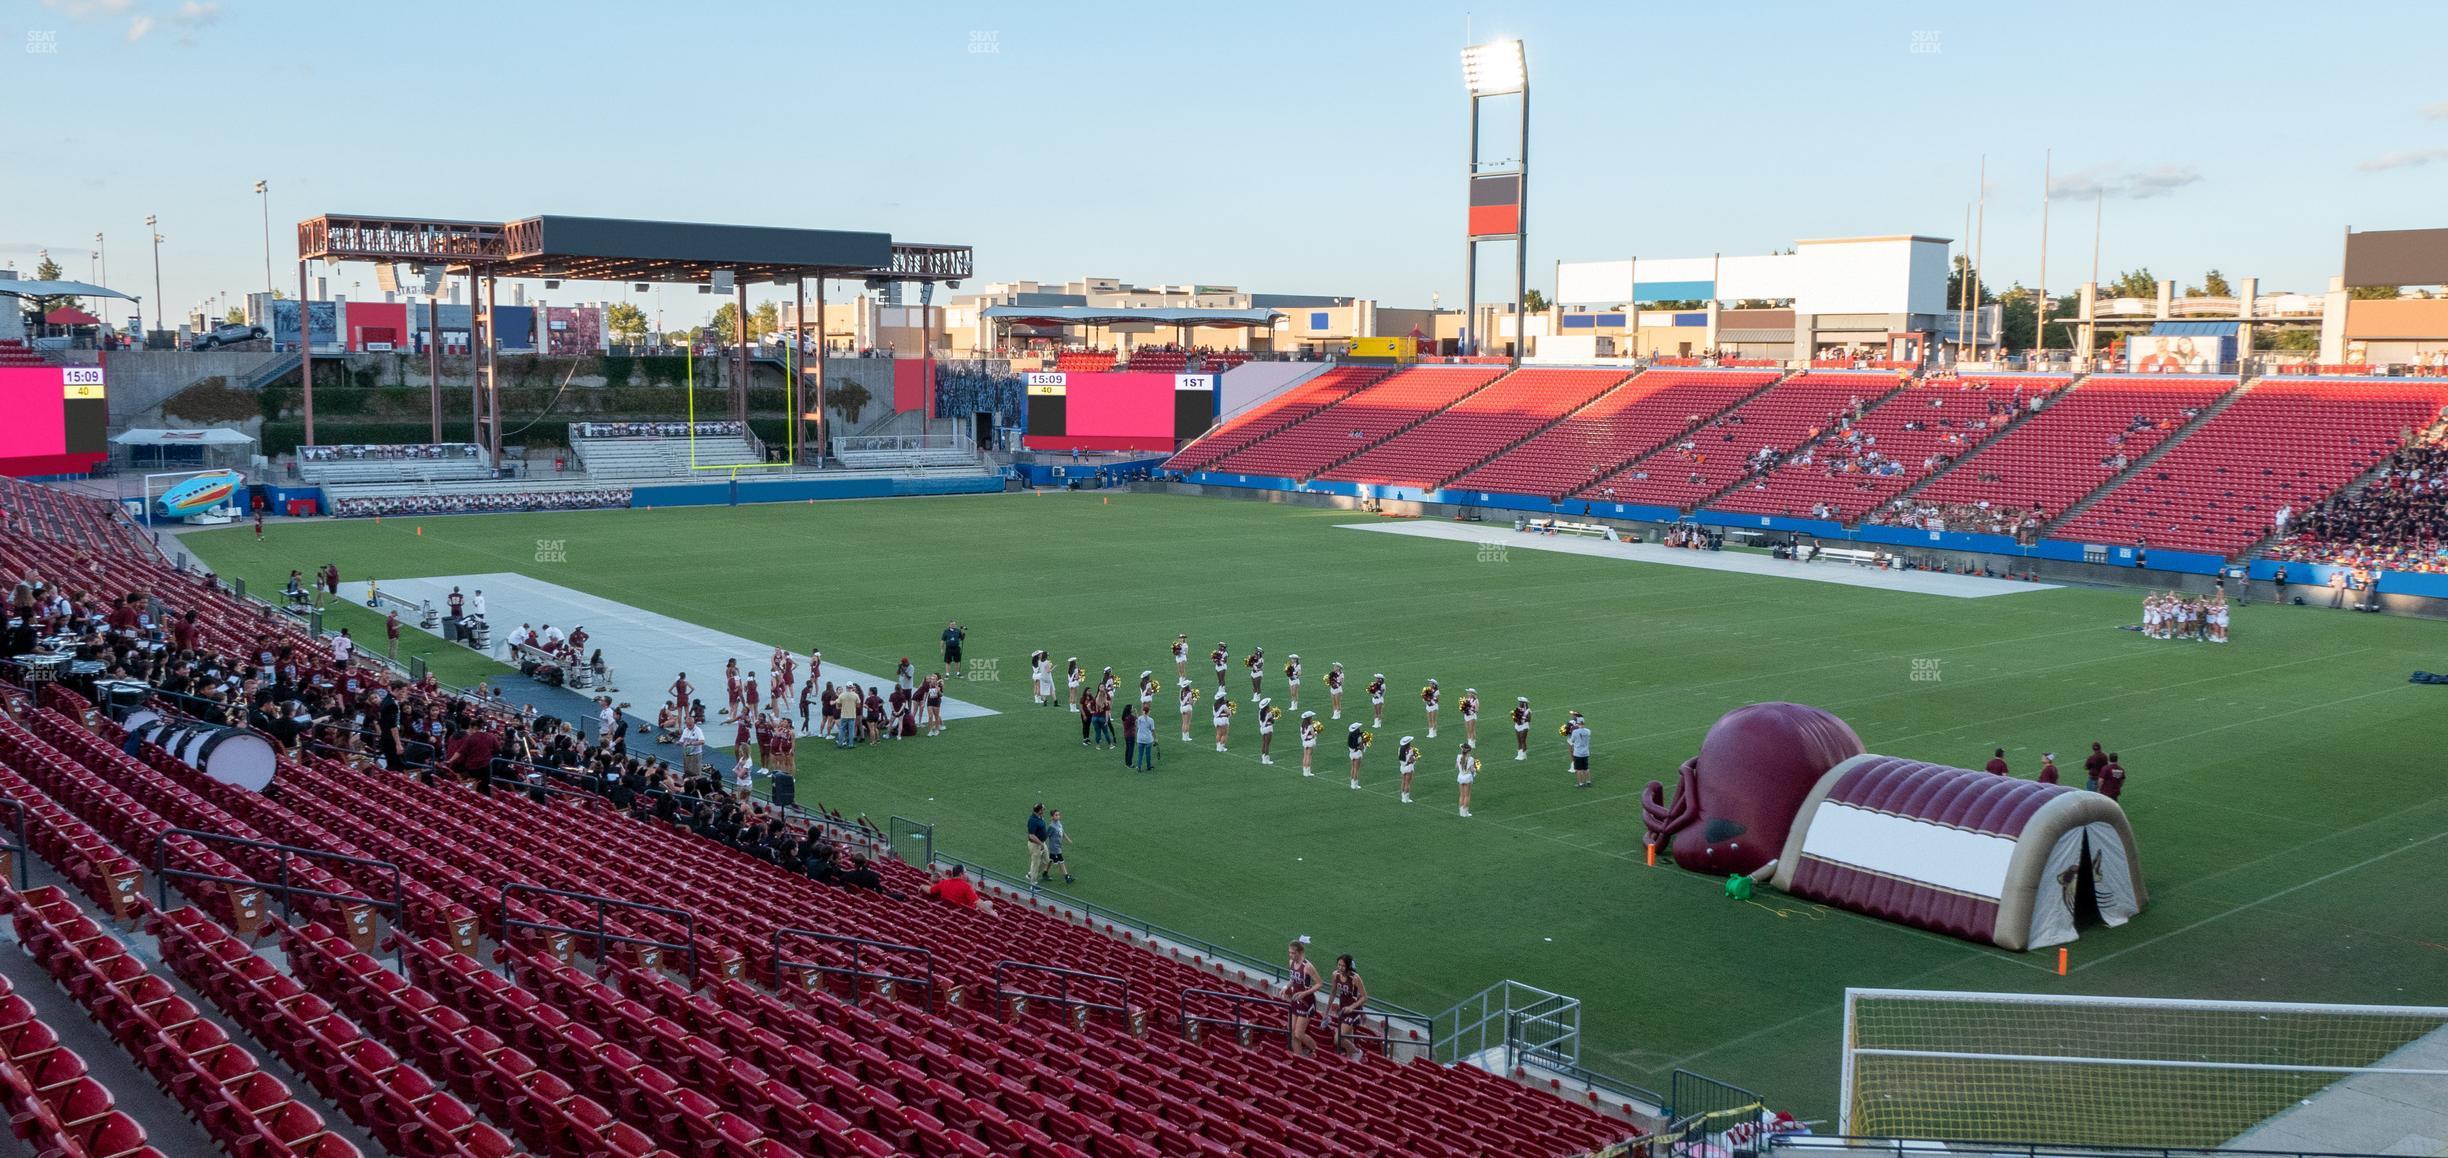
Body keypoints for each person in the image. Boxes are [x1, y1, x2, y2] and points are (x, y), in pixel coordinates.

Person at [1285, 937, 1323, 1058]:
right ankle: (1299, 1057)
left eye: (1293, 953)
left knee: (1299, 1033)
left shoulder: (1307, 966)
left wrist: (1304, 993)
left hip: (1306, 1001)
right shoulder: (1291, 963)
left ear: (1300, 952)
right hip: (1296, 1000)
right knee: (1292, 1032)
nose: (1291, 955)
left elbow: (1319, 983)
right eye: (1289, 952)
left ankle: (1318, 1051)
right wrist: (1286, 987)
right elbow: (1293, 979)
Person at [1327, 954, 1370, 1058]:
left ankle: (1357, 1052)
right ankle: (1351, 1061)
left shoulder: (1355, 978)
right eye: (1339, 965)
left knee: (1338, 1039)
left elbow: (1365, 997)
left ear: (1348, 966)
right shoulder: (1335, 975)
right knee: (1349, 1039)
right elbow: (1333, 992)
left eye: (1343, 966)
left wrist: (1352, 1007)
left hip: (1353, 1011)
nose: (1340, 968)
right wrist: (1326, 1011)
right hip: (1343, 1009)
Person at [926, 863, 992, 912]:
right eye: (965, 872)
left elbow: (930, 890)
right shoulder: (966, 886)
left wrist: (922, 886)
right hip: (966, 913)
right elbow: (978, 903)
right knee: (989, 903)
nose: (967, 874)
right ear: (961, 874)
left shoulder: (944, 882)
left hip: (951, 911)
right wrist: (993, 913)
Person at [1044, 808, 1074, 885]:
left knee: (1050, 860)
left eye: (1059, 815)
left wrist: (1068, 839)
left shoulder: (1059, 823)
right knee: (1061, 861)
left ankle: (1045, 873)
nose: (1058, 816)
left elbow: (1062, 832)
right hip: (1054, 848)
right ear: (1052, 817)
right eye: (1056, 815)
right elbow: (1046, 836)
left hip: (1058, 846)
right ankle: (1067, 877)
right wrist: (1042, 845)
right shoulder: (1051, 826)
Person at [1026, 804, 1051, 886]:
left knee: (1046, 860)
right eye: (1043, 808)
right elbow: (1031, 835)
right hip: (1035, 845)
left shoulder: (1040, 817)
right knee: (1035, 863)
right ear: (1039, 810)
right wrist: (1040, 843)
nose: (1045, 809)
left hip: (1042, 843)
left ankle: (1031, 874)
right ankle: (1033, 884)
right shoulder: (1032, 820)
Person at [1567, 713, 1593, 788]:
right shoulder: (1588, 731)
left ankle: (1581, 783)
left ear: (1578, 723)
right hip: (1585, 752)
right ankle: (1588, 782)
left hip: (1578, 753)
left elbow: (1571, 741)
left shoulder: (1575, 732)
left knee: (1579, 769)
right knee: (1586, 768)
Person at [678, 716, 705, 780]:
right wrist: (678, 743)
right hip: (687, 754)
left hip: (695, 755)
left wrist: (691, 743)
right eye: (688, 725)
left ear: (693, 723)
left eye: (690, 725)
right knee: (687, 771)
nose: (689, 726)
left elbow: (702, 741)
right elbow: (681, 741)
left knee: (696, 772)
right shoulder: (685, 730)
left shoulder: (698, 730)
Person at [1457, 741, 1479, 816]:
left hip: (1460, 776)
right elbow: (1472, 770)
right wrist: (1476, 769)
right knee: (1467, 795)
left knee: (1461, 795)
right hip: (1467, 777)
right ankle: (1465, 812)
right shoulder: (1471, 759)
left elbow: (1456, 766)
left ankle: (1461, 812)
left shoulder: (1458, 757)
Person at [1347, 723, 1371, 789]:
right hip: (1357, 753)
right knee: (1356, 769)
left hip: (1351, 753)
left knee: (1352, 767)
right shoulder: (1359, 737)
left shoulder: (1350, 735)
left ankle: (1352, 783)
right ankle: (1355, 785)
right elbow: (1361, 747)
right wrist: (1364, 744)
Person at [1132, 707, 1157, 772]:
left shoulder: (1139, 718)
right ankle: (1148, 766)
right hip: (1148, 739)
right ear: (1148, 712)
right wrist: (1155, 739)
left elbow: (1137, 726)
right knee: (1148, 754)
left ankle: (1138, 766)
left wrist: (1136, 713)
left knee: (1140, 754)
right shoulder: (1151, 720)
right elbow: (1153, 730)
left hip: (1140, 739)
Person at [1396, 735, 1419, 804]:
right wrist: (1415, 757)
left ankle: (1403, 797)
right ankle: (1406, 798)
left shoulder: (1400, 749)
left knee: (1403, 782)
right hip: (1409, 768)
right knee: (1407, 783)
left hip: (1402, 767)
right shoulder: (1411, 750)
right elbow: (1411, 760)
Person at [1255, 698, 1278, 765]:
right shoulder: (1269, 712)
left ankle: (1263, 757)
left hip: (1262, 729)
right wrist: (1274, 716)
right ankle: (1266, 759)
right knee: (1267, 744)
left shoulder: (1260, 711)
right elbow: (1272, 721)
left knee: (1264, 743)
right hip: (1268, 728)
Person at [1299, 711, 1320, 778]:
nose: (1312, 718)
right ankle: (1308, 772)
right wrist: (1316, 733)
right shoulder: (1310, 726)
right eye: (1311, 717)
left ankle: (1304, 771)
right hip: (1310, 741)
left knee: (1305, 756)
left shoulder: (1302, 725)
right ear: (1309, 718)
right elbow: (1313, 734)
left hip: (1305, 742)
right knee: (1309, 756)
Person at [1512, 696, 1533, 761]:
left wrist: (1521, 717)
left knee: (1523, 740)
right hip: (1517, 726)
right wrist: (1514, 717)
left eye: (1520, 702)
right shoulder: (1518, 709)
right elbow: (1515, 718)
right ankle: (1519, 754)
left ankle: (1524, 755)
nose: (1519, 703)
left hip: (1524, 726)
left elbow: (1529, 719)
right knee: (1518, 741)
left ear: (1524, 703)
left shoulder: (1528, 710)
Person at [1177, 678, 1198, 743]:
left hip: (1182, 707)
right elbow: (1191, 703)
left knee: (1184, 722)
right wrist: (1195, 700)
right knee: (1187, 723)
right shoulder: (1189, 693)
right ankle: (1186, 737)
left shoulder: (1181, 691)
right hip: (1188, 708)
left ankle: (1184, 736)